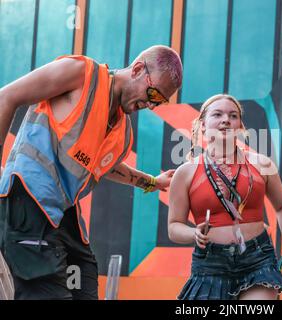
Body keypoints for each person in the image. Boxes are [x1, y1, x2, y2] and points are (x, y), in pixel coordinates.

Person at [0, 45, 183, 299]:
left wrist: (152, 182)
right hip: (26, 202)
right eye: (153, 93)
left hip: (62, 216)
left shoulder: (122, 131)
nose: (151, 105)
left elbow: (108, 167)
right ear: (138, 69)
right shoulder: (79, 74)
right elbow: (6, 97)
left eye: (159, 102)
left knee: (85, 287)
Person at [168, 94, 282, 300]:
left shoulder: (261, 164)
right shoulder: (185, 172)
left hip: (258, 259)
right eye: (217, 114)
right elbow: (174, 226)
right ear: (202, 125)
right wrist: (194, 234)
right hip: (210, 263)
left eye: (233, 115)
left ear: (240, 126)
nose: (225, 120)